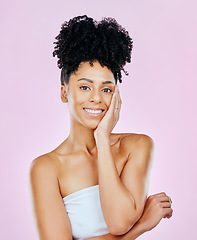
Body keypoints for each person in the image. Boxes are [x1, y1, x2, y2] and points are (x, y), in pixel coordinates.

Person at [29, 15, 173, 240]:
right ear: (64, 93)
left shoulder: (137, 146)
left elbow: (118, 221)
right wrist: (142, 225)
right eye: (85, 87)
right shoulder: (46, 168)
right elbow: (123, 229)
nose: (96, 98)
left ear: (116, 95)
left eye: (106, 90)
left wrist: (102, 140)